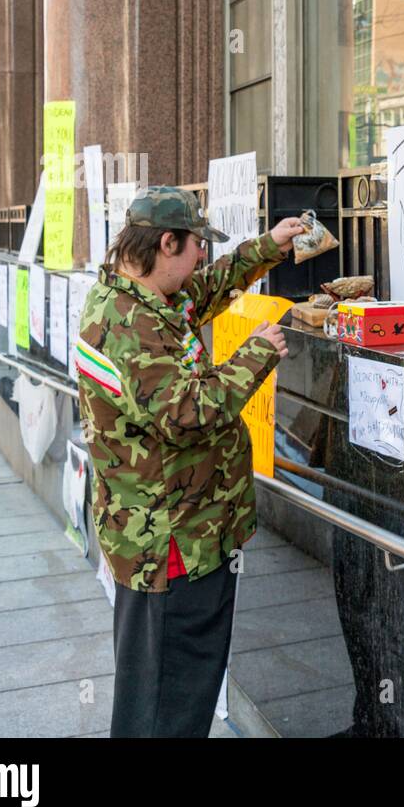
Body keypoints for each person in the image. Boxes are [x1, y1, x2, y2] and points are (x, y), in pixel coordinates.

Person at [75, 184, 304, 737]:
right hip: (172, 545)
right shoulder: (130, 325)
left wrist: (270, 245)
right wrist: (257, 352)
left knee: (156, 692)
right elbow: (187, 414)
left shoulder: (141, 297)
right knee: (171, 699)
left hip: (174, 531)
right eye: (196, 244)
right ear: (166, 243)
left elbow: (208, 287)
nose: (203, 254)